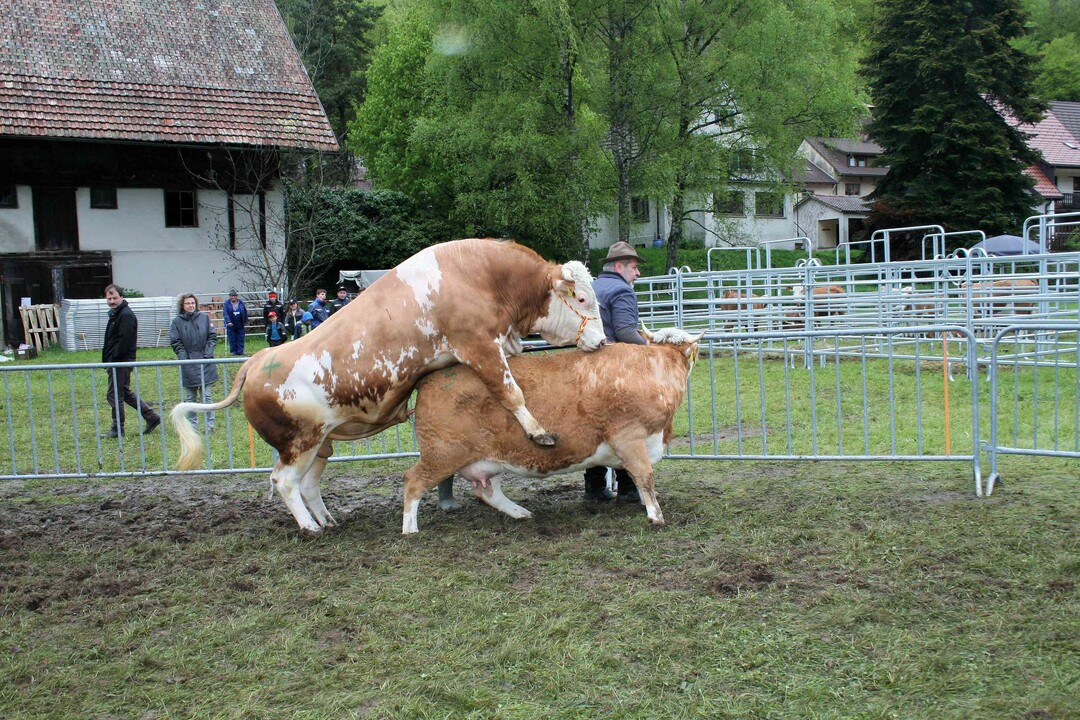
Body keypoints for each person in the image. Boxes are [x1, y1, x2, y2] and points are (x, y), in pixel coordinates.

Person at [583, 241, 648, 503]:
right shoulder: (622, 291)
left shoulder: (591, 288)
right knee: (625, 428)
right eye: (634, 267)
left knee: (596, 429)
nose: (638, 273)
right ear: (619, 266)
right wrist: (650, 350)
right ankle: (628, 489)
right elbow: (624, 331)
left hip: (589, 369)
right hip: (617, 372)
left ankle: (595, 488)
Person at [100, 284, 161, 438]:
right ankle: (151, 417)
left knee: (114, 395)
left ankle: (117, 428)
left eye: (115, 298)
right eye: (109, 298)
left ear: (121, 297)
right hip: (117, 360)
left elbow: (124, 340)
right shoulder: (116, 313)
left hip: (121, 361)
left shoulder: (125, 315)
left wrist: (114, 358)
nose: (112, 301)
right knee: (124, 393)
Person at [169, 293, 219, 432]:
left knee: (207, 396)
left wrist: (207, 355)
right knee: (191, 397)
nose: (191, 305)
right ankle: (193, 426)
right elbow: (176, 341)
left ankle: (210, 425)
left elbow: (212, 337)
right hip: (188, 363)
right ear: (182, 305)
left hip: (205, 363)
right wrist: (184, 358)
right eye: (187, 303)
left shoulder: (204, 318)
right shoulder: (177, 322)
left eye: (192, 303)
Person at [224, 288, 248, 355]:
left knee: (241, 337)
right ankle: (233, 351)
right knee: (232, 338)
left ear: (237, 296)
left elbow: (245, 311)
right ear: (230, 297)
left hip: (240, 323)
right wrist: (228, 321)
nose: (233, 297)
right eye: (232, 296)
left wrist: (245, 321)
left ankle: (240, 351)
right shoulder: (227, 303)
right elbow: (225, 313)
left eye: (234, 296)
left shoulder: (241, 303)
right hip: (231, 324)